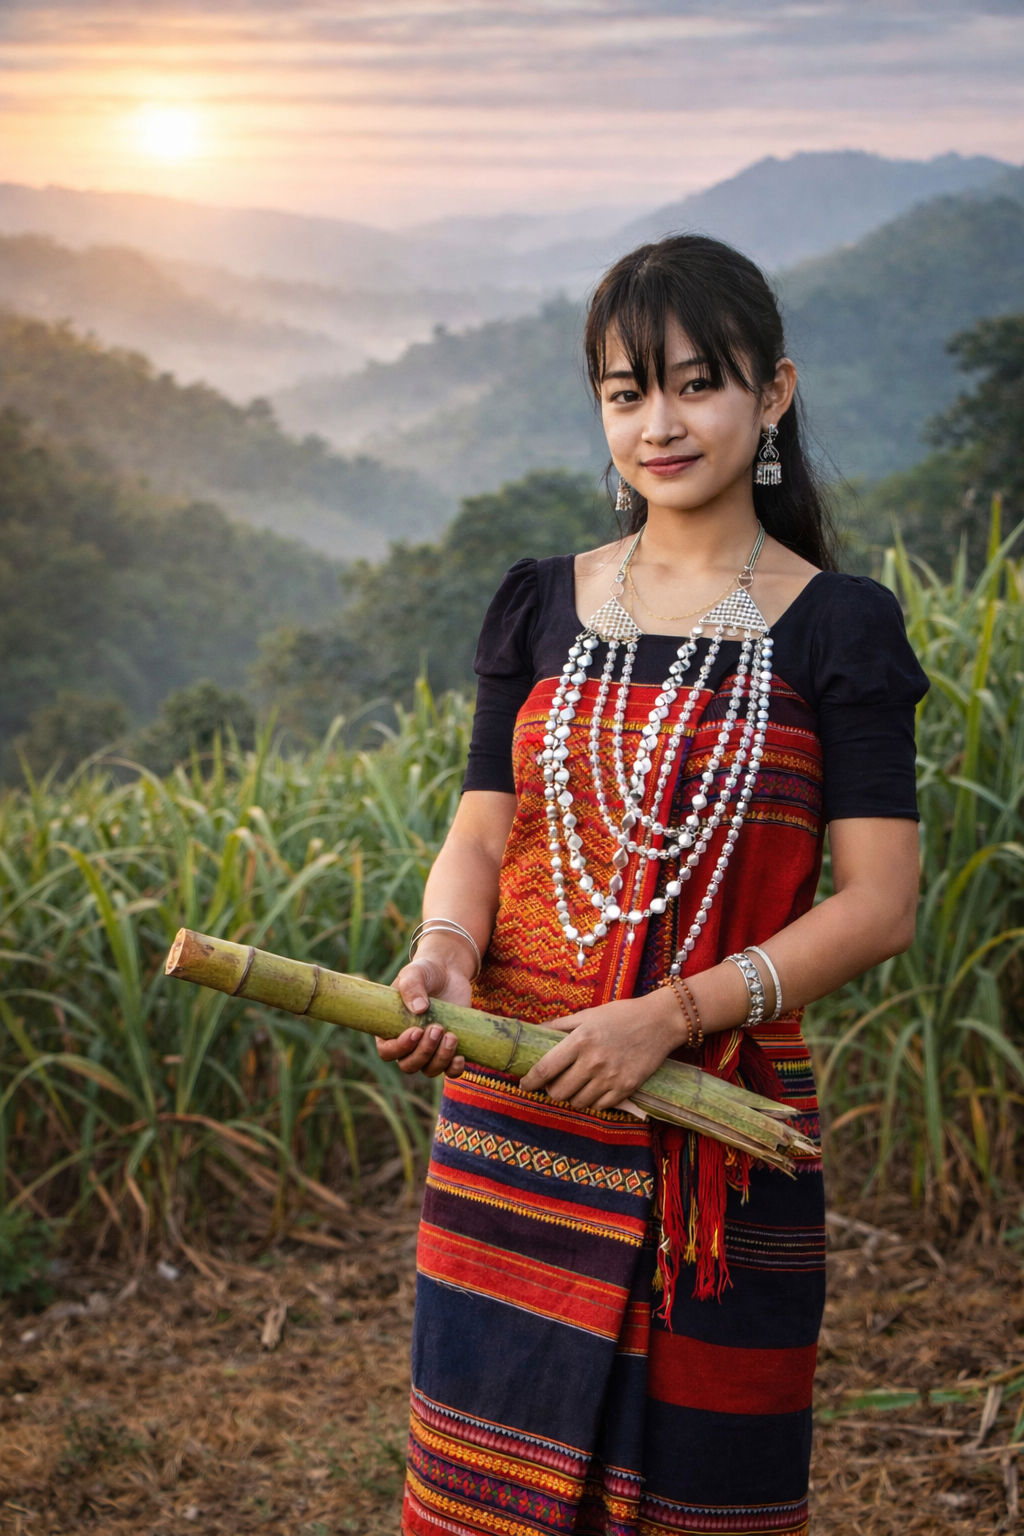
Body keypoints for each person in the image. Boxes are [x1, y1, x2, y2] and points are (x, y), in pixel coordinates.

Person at [378, 234, 928, 1536]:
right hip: (516, 1116)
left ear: (773, 392)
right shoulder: (539, 604)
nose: (660, 424)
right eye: (627, 394)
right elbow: (481, 825)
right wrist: (448, 948)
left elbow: (879, 904)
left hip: (716, 1152)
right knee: (482, 1493)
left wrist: (667, 1019)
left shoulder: (837, 627)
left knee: (704, 1500)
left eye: (697, 384)